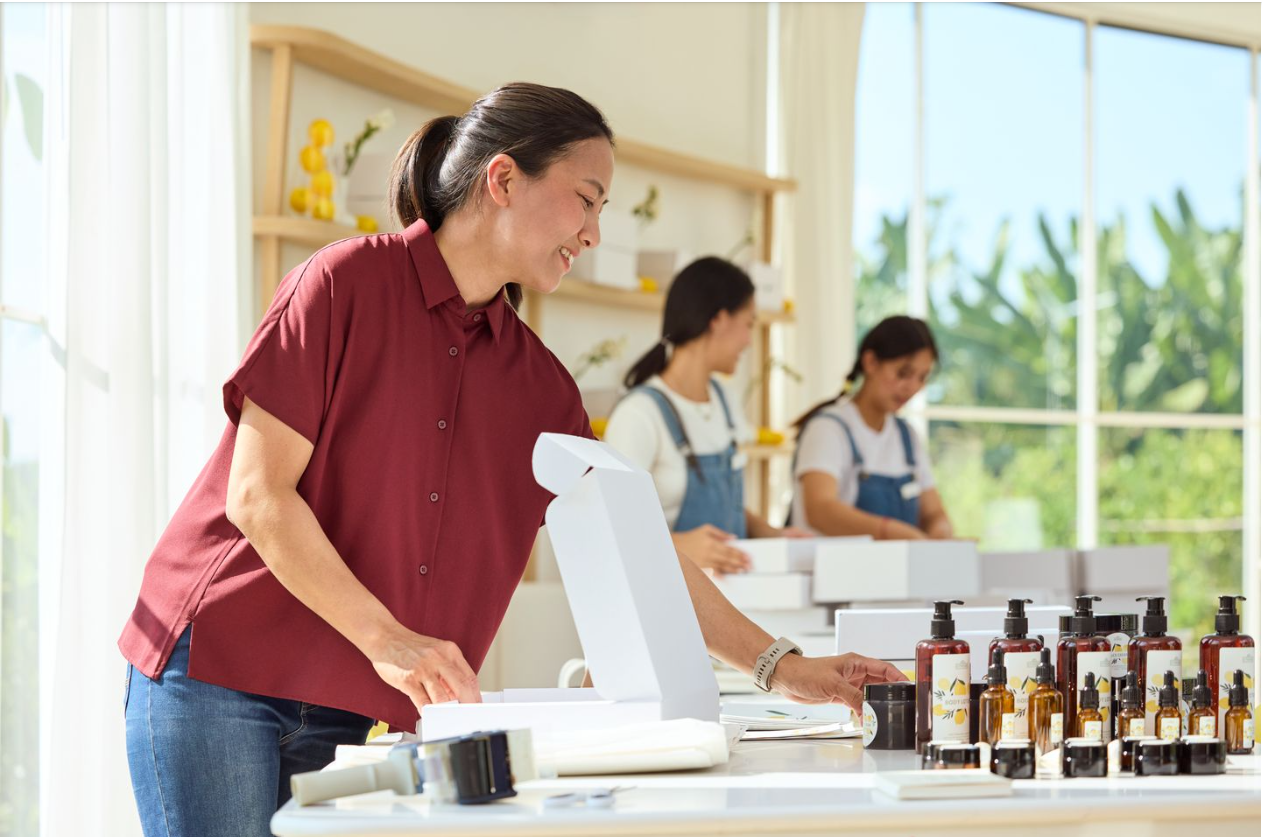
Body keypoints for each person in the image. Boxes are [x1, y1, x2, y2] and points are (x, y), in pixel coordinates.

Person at [118, 83, 905, 837]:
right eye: (587, 199)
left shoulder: (541, 389)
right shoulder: (341, 284)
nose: (594, 233)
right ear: (502, 180)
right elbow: (258, 497)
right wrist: (390, 638)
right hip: (221, 667)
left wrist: (782, 666)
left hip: (352, 704)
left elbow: (637, 547)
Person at [603, 257, 806, 574]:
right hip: (668, 592)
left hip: (731, 591)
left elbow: (728, 505)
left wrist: (771, 533)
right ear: (719, 319)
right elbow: (610, 529)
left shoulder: (724, 401)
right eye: (748, 324)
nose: (748, 341)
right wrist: (680, 547)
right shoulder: (639, 415)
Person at [788, 315, 954, 540]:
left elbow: (934, 513)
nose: (912, 387)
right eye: (903, 373)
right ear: (871, 363)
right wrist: (894, 533)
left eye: (922, 377)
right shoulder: (828, 429)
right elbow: (820, 510)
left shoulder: (906, 436)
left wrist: (940, 533)